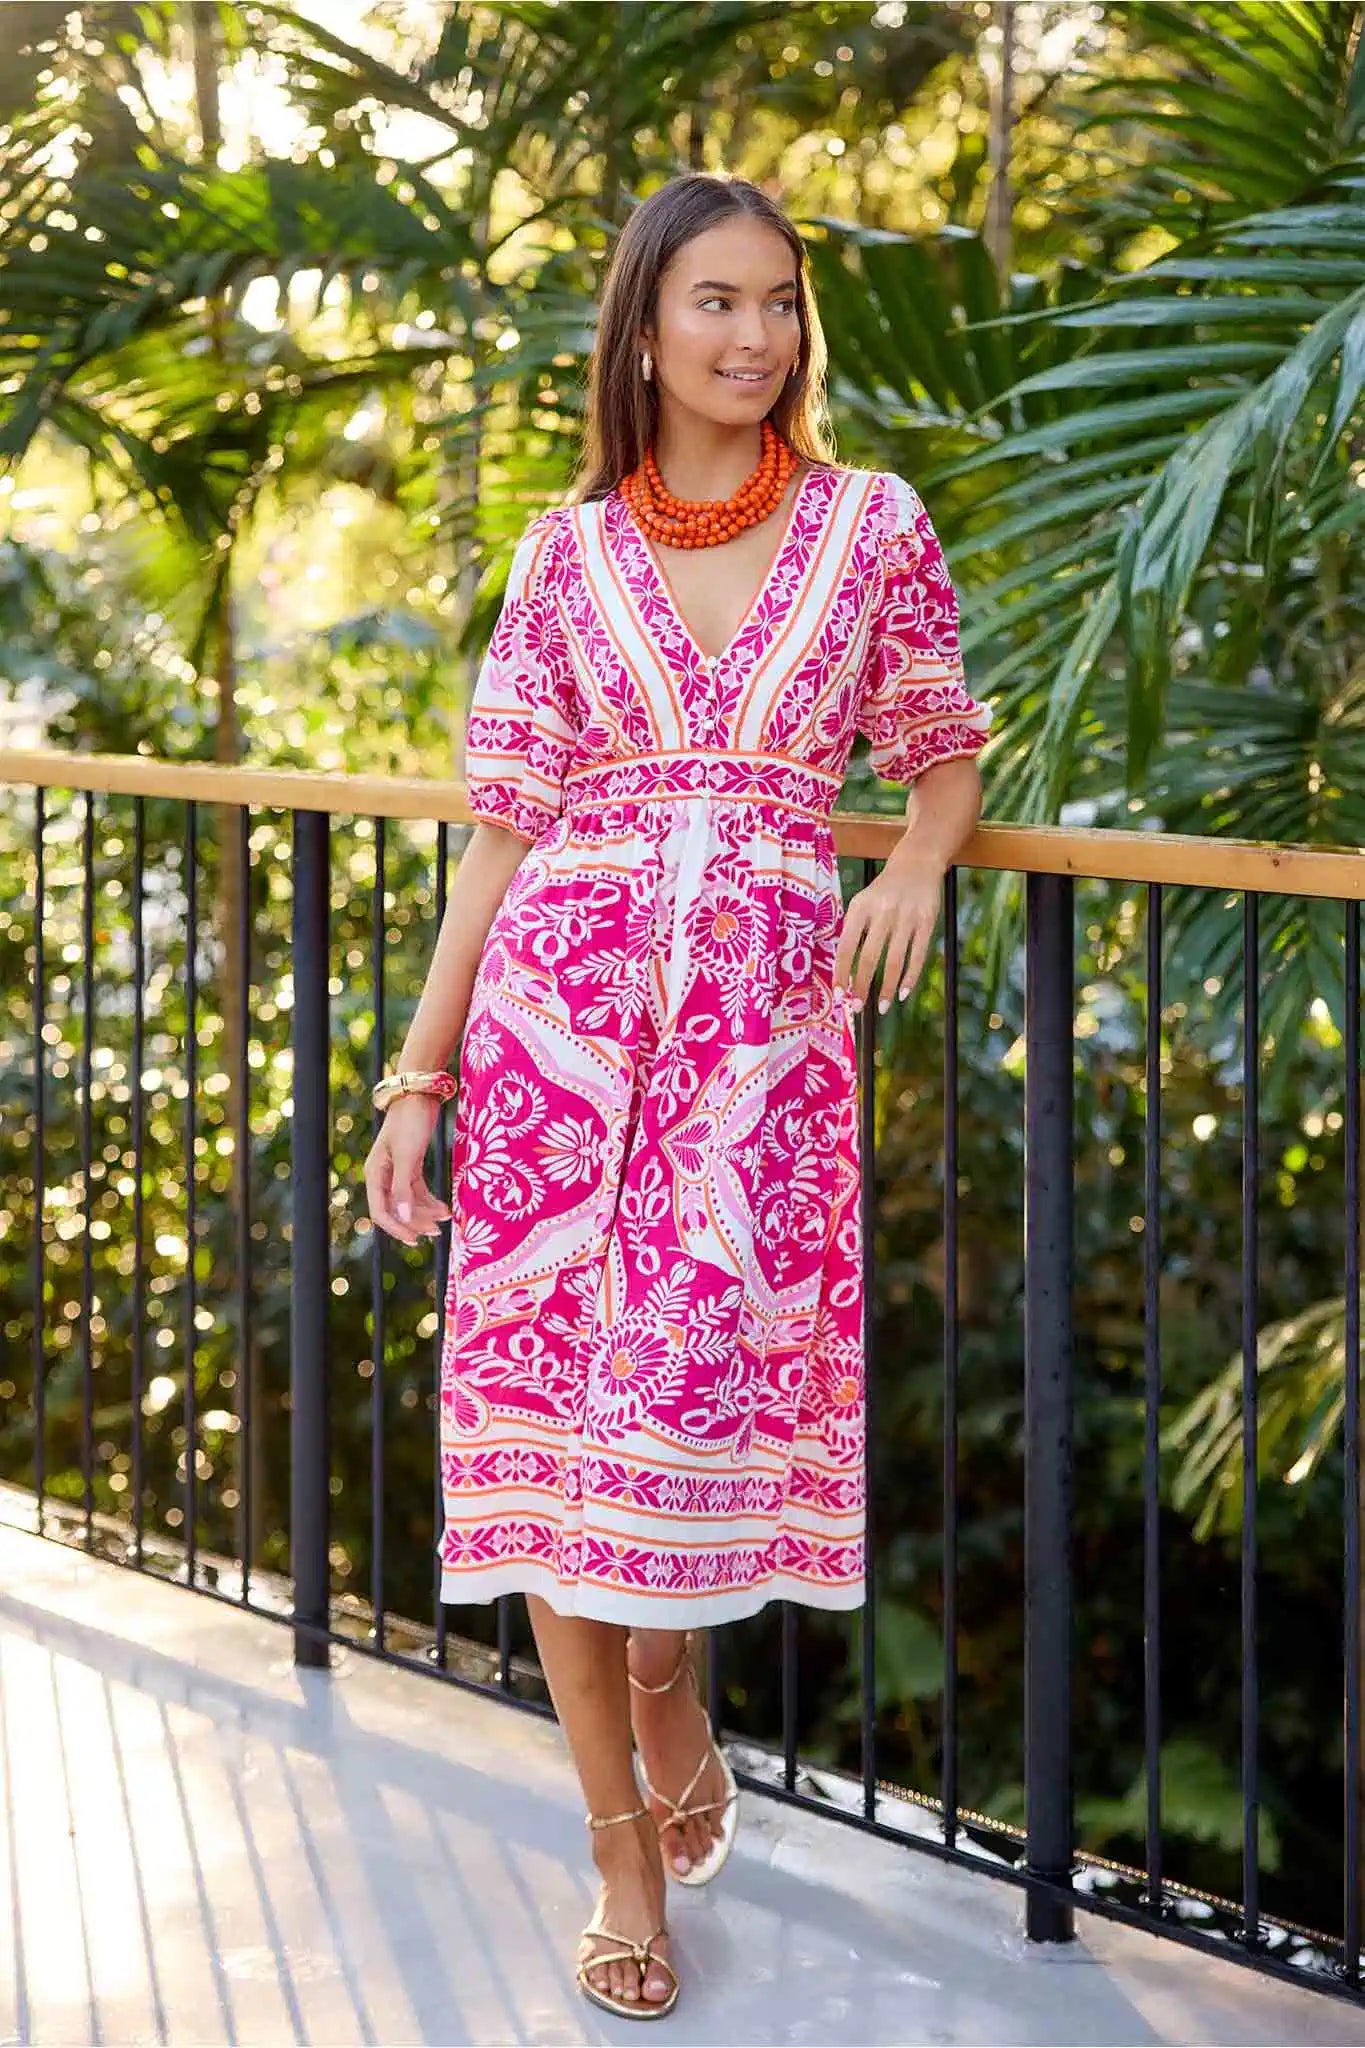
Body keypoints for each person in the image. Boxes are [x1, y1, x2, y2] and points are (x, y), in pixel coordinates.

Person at [364, 171, 991, 2021]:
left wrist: (912, 866)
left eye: (781, 303)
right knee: (553, 1444)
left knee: (684, 1407)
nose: (755, 337)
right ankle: (620, 1848)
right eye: (716, 302)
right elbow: (498, 839)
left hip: (754, 1061)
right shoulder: (561, 558)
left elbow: (938, 751)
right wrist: (419, 1078)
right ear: (640, 329)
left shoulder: (873, 525)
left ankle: (663, 1692)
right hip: (557, 1046)